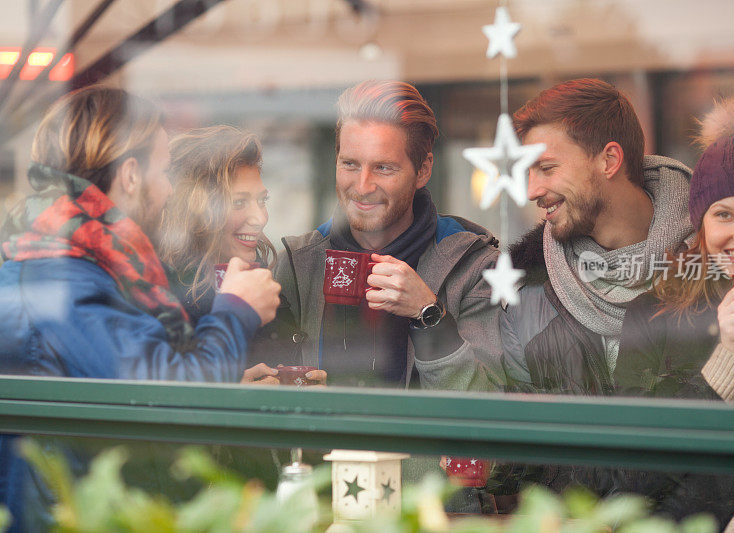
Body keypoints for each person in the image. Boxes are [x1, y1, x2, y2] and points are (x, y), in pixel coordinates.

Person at [0, 86, 281, 531]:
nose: (170, 189)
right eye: (165, 171)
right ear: (130, 175)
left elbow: (131, 379)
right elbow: (171, 400)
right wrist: (237, 310)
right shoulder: (67, 280)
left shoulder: (67, 265)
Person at [615, 97, 734, 531]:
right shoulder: (652, 316)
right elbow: (629, 484)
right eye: (724, 215)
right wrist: (725, 362)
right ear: (701, 224)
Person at [272, 80, 502, 390]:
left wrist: (429, 316)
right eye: (350, 164)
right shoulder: (297, 263)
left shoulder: (475, 267)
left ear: (423, 170)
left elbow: (487, 406)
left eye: (383, 168)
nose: (363, 186)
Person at [500, 78, 695, 395]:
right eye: (527, 172)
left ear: (610, 161)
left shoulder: (721, 261)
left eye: (547, 168)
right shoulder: (523, 294)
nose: (532, 191)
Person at [159, 125, 324, 384]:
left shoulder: (263, 284)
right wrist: (230, 398)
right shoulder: (161, 295)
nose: (261, 218)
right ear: (195, 211)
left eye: (262, 200)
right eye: (239, 202)